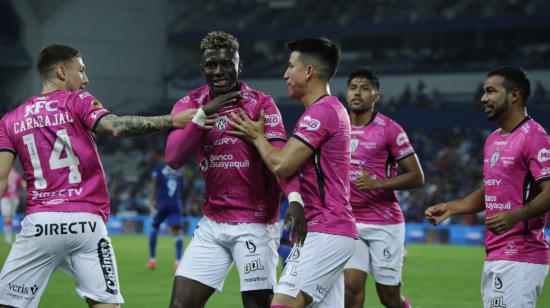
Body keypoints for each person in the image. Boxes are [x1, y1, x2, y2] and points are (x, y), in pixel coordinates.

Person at [0, 44, 195, 308]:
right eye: (81, 71)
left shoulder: (10, 120)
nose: (86, 78)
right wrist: (172, 121)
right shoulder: (77, 100)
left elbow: (1, 178)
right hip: (86, 223)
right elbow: (115, 127)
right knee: (105, 305)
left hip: (40, 224)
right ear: (61, 72)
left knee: (8, 303)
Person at [165, 31, 302, 308]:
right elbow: (173, 158)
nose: (219, 71)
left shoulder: (261, 104)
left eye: (227, 63)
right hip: (212, 224)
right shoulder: (190, 104)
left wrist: (295, 199)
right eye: (212, 65)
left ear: (240, 66)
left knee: (256, 305)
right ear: (202, 69)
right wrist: (203, 114)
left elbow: (280, 159)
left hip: (254, 224)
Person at [228, 37, 358, 308]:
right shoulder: (330, 110)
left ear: (308, 71)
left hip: (328, 230)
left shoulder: (322, 113)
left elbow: (282, 164)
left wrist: (256, 136)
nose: (286, 74)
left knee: (283, 305)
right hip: (324, 230)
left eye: (290, 66)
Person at [425, 67, 550, 308]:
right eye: (484, 92)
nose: (483, 98)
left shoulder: (535, 137)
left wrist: (516, 215)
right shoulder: (493, 139)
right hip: (495, 252)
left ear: (514, 95)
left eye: (491, 91)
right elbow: (489, 192)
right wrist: (451, 208)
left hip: (521, 255)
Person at [342, 67, 424, 308]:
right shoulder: (338, 126)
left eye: (365, 89)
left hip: (384, 223)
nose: (358, 93)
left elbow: (417, 176)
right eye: (353, 88)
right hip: (349, 221)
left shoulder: (390, 129)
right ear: (346, 94)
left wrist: (378, 183)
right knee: (351, 288)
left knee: (388, 296)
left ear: (376, 96)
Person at [147, 162, 185, 271]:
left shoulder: (159, 169)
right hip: (175, 204)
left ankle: (152, 260)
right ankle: (178, 262)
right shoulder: (179, 170)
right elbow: (182, 189)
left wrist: (152, 199)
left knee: (154, 227)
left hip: (161, 204)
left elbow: (154, 184)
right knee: (176, 231)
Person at [1, 167, 25, 244]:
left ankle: (8, 239)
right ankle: (11, 237)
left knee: (7, 218)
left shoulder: (5, 174)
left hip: (6, 198)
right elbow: (24, 186)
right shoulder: (17, 175)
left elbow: (2, 185)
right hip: (15, 198)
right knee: (10, 218)